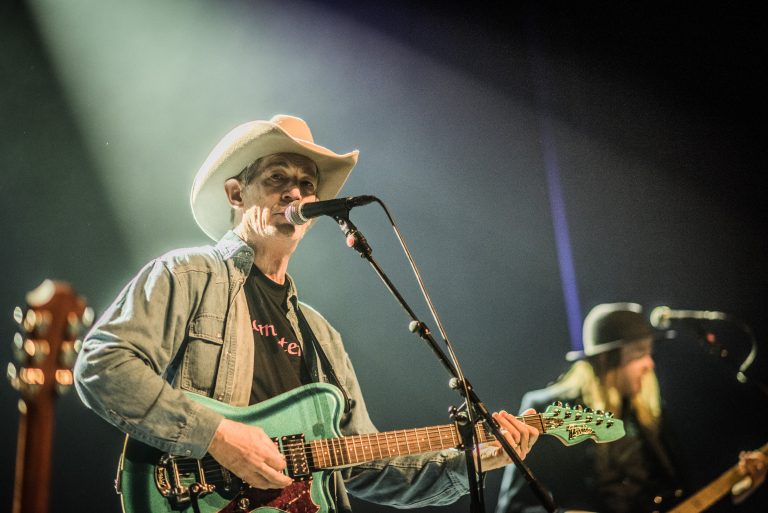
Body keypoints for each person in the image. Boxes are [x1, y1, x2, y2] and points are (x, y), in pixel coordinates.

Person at [73, 114, 540, 512]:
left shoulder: (321, 335)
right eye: (277, 178)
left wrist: (473, 461)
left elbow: (362, 466)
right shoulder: (188, 274)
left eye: (306, 185)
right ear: (236, 194)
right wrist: (217, 436)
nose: (294, 193)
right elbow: (101, 364)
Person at [494, 302, 766, 513]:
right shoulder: (547, 409)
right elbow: (513, 507)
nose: (649, 364)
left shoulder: (647, 410)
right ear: (606, 360)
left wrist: (737, 490)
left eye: (649, 352)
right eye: (638, 353)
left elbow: (682, 492)